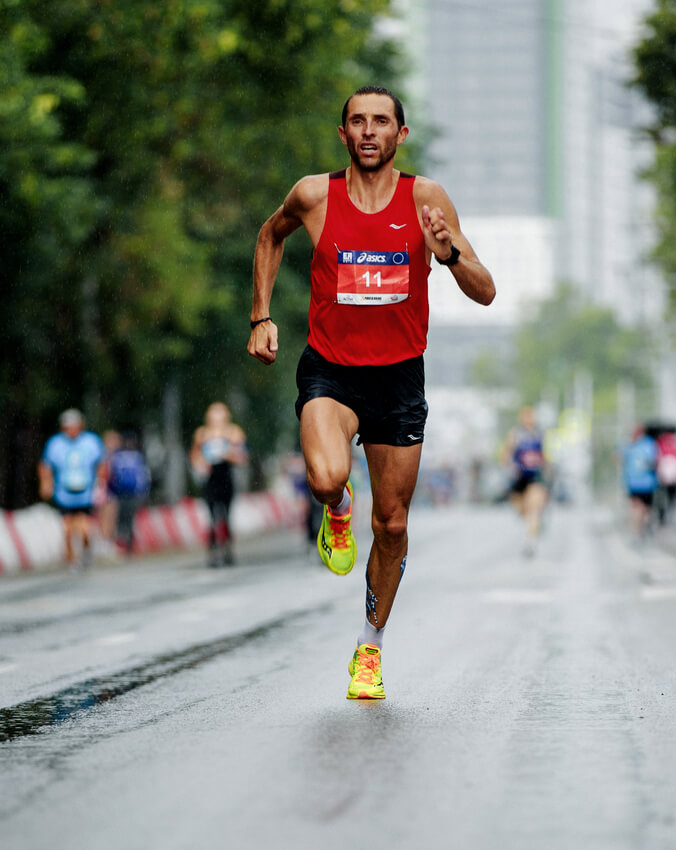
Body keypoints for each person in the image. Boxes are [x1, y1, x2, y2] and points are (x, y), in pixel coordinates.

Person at [247, 85, 495, 699]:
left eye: (381, 121)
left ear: (399, 135)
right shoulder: (313, 195)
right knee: (328, 476)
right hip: (330, 369)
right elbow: (269, 236)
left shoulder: (427, 199)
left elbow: (485, 291)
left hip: (399, 377)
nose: (368, 131)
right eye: (357, 121)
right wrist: (261, 314)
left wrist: (449, 253)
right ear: (342, 134)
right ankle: (335, 510)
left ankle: (370, 647)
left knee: (392, 522)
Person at [39, 408, 107, 570]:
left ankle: (86, 551)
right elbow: (45, 465)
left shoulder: (91, 441)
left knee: (84, 530)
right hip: (64, 494)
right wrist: (46, 484)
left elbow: (102, 463)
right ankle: (71, 559)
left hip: (85, 493)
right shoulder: (55, 444)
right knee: (67, 529)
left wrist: (100, 484)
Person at [189, 402, 248, 567]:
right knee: (212, 517)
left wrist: (227, 454)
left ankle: (228, 549)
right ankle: (213, 551)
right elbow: (194, 456)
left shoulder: (233, 433)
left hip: (226, 477)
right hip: (210, 480)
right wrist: (201, 464)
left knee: (226, 516)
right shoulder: (202, 434)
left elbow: (242, 456)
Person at [505, 405, 548, 557]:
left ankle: (530, 542)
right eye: (527, 416)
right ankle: (531, 525)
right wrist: (510, 466)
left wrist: (547, 467)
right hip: (519, 477)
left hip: (535, 477)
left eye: (532, 416)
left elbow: (545, 454)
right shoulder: (516, 434)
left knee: (533, 508)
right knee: (522, 510)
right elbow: (507, 453)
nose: (530, 419)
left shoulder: (539, 434)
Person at [106, 430, 150, 553]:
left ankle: (127, 543)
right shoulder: (125, 456)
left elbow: (142, 475)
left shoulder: (126, 457)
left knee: (127, 518)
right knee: (123, 518)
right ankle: (123, 543)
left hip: (127, 492)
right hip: (122, 492)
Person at [622, 425, 659, 542]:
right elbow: (654, 462)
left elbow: (621, 459)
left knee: (639, 508)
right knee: (641, 508)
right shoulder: (649, 444)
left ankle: (639, 530)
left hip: (638, 482)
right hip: (643, 483)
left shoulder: (634, 445)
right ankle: (640, 530)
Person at [655, 429, 676, 526]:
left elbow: (657, 458)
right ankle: (669, 515)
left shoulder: (660, 444)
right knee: (672, 498)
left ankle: (662, 517)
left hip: (662, 478)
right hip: (674, 479)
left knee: (662, 499)